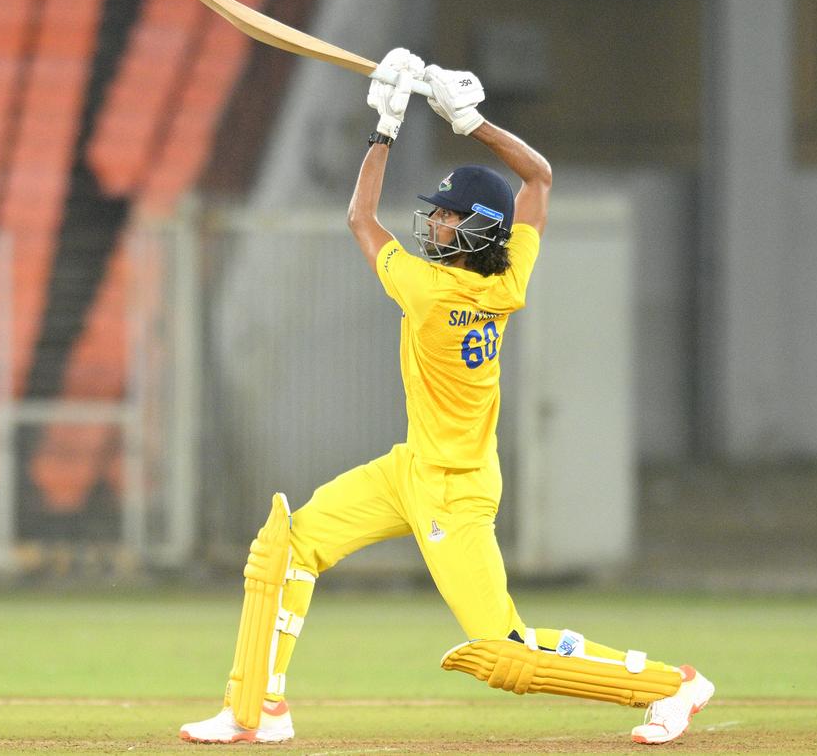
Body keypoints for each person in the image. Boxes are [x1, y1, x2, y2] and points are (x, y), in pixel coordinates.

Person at [180, 48, 714, 747]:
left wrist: (387, 125)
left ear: (475, 230)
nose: (430, 225)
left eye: (444, 217)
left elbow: (359, 218)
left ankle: (673, 686)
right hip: (413, 468)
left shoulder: (429, 292)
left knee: (504, 650)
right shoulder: (509, 278)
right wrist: (473, 123)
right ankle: (256, 710)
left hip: (454, 491)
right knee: (287, 546)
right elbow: (539, 178)